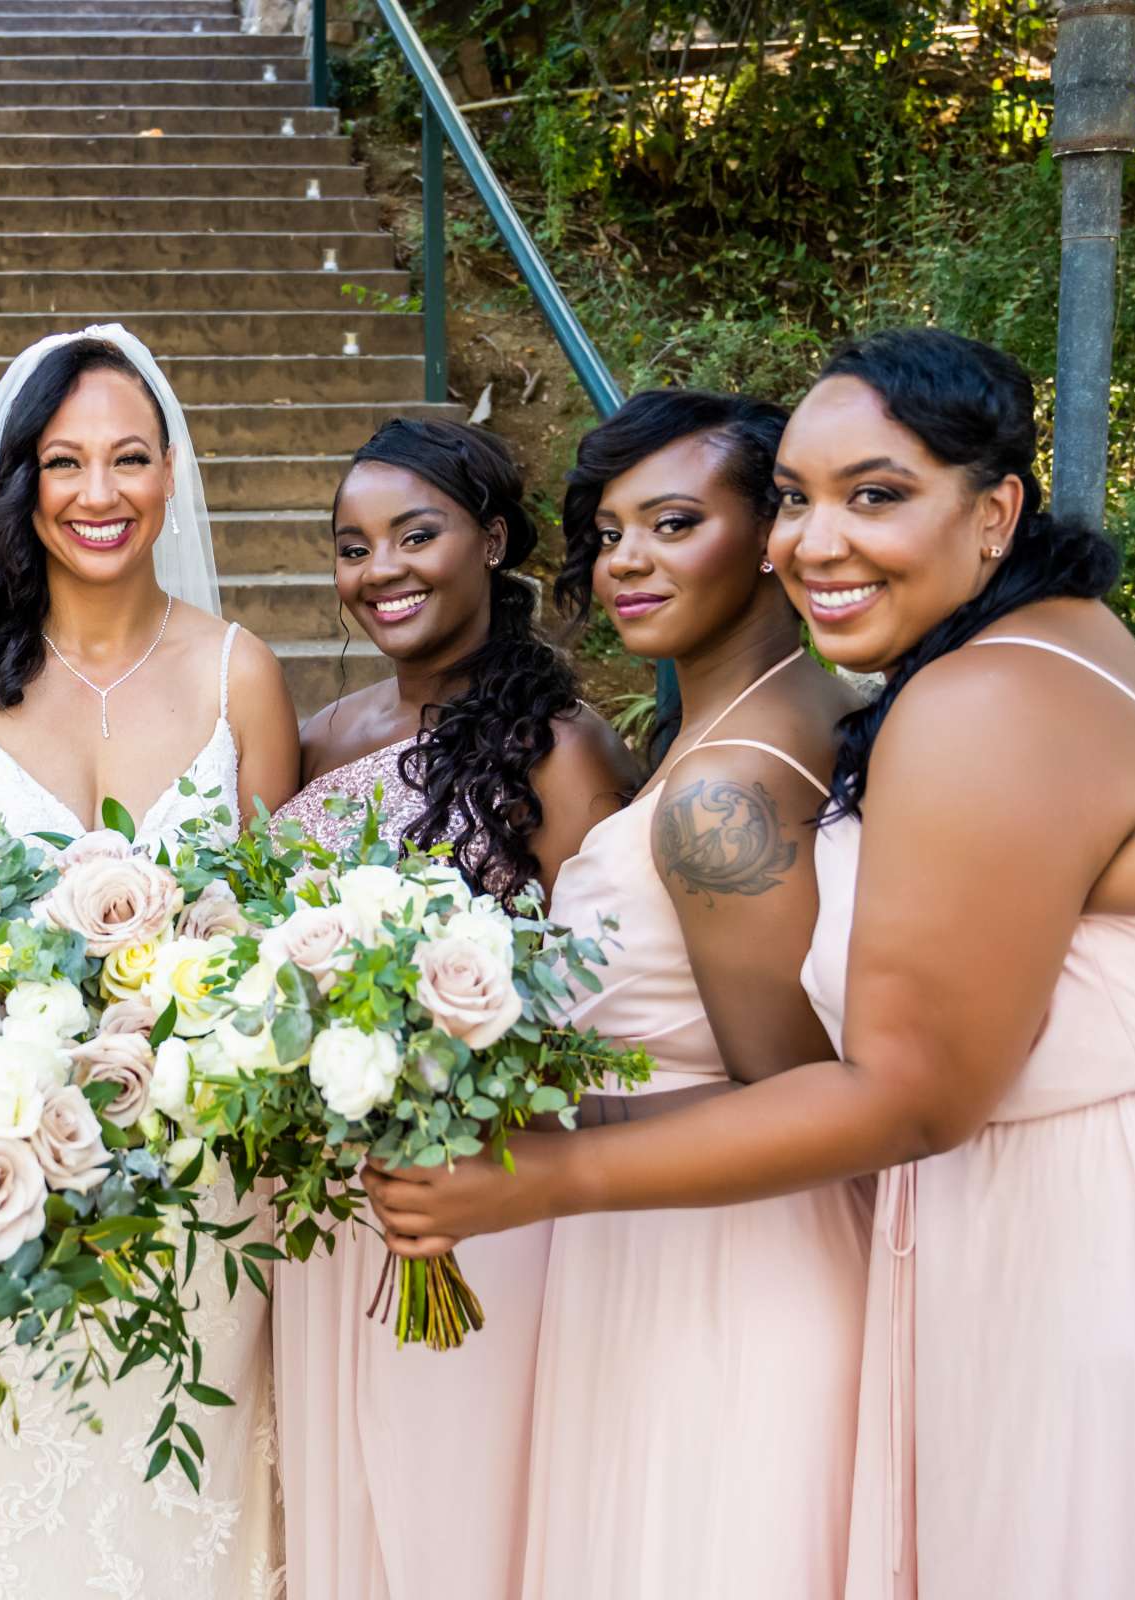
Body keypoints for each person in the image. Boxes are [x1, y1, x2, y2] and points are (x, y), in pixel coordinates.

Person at [369, 330, 1135, 1598]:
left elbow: (910, 1092)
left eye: (876, 495)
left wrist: (546, 1170)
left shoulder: (984, 703)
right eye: (798, 500)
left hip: (1131, 1260)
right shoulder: (1038, 651)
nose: (813, 540)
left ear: (996, 510)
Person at [363, 393, 873, 1594]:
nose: (627, 558)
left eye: (675, 522)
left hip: (724, 1279)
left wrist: (536, 1164)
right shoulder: (764, 717)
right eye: (608, 530)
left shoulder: (723, 795)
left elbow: (805, 1099)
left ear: (772, 534)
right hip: (659, 1252)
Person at [0, 328, 298, 1598]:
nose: (100, 493)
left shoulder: (243, 672)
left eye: (129, 457)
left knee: (196, 1505)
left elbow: (276, 937)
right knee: (17, 1506)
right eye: (65, 463)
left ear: (172, 471)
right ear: (24, 484)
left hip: (208, 1187)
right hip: (18, 1176)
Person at [269, 416, 637, 1600]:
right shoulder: (321, 736)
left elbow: (597, 1006)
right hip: (323, 1206)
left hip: (482, 1197)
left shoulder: (562, 751)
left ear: (491, 540)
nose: (382, 570)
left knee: (456, 1514)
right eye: (351, 545)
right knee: (345, 1506)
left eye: (415, 534)